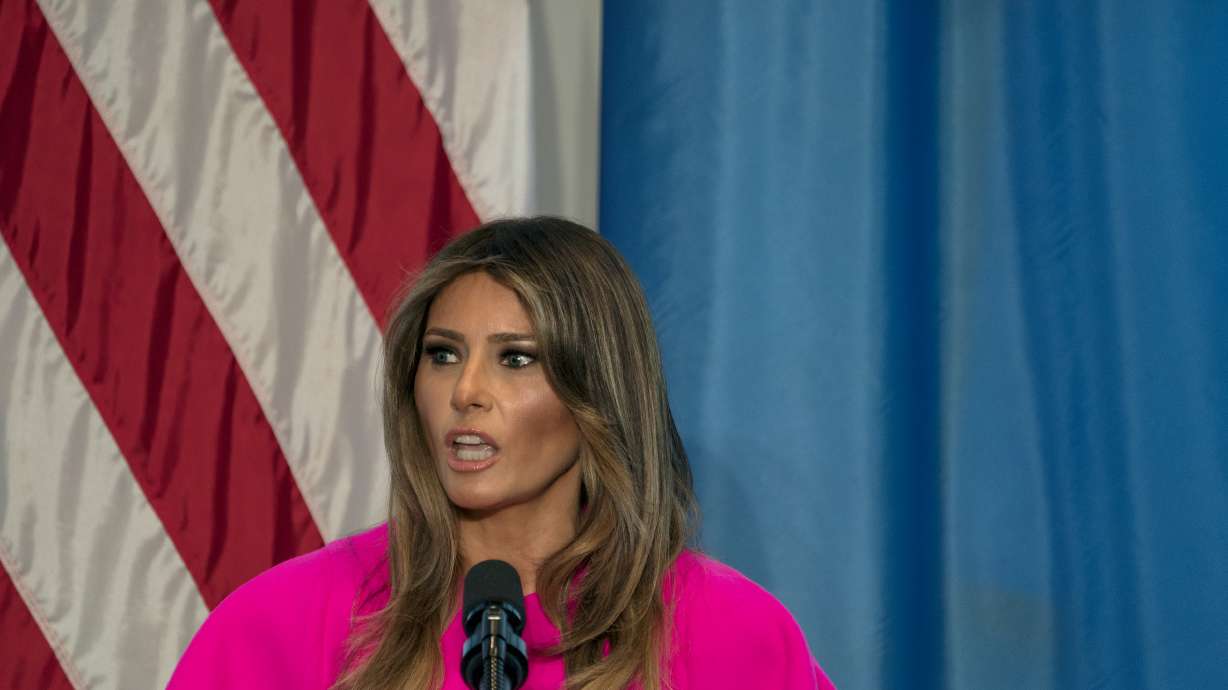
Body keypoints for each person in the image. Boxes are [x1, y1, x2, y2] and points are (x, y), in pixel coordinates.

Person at [167, 217, 835, 690]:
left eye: (516, 358)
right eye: (443, 355)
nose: (465, 391)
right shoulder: (281, 624)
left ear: (597, 392)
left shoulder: (729, 632)